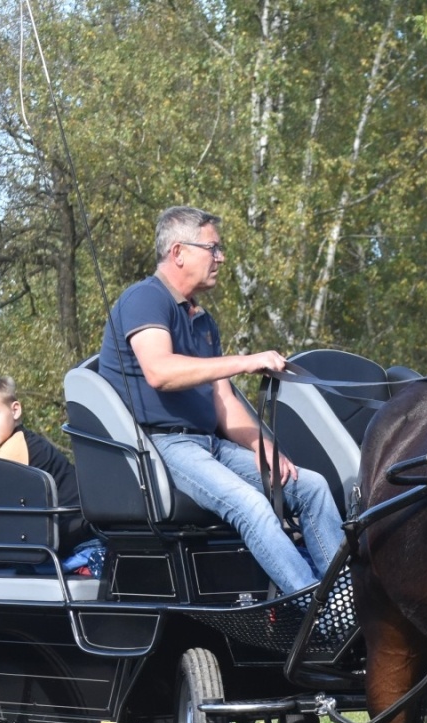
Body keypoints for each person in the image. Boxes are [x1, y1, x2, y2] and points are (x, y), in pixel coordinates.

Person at [96, 205, 345, 596]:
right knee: (251, 505)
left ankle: (346, 601)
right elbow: (160, 371)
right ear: (179, 252)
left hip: (210, 445)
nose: (221, 257)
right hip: (162, 446)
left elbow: (223, 402)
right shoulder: (144, 300)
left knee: (310, 486)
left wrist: (263, 446)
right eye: (213, 248)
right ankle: (319, 613)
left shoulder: (203, 321)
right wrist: (248, 361)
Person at [0, 376, 96, 552]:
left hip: (71, 529)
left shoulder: (16, 447)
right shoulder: (20, 439)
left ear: (15, 410)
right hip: (72, 524)